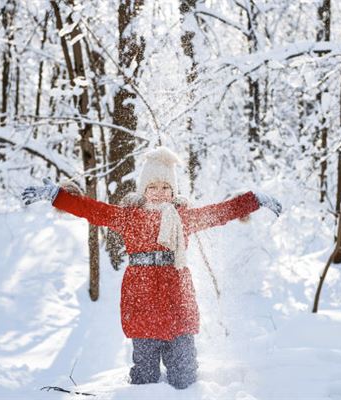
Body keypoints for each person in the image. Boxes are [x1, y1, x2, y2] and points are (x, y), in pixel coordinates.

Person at [21, 147, 282, 389]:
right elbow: (92, 210)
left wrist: (253, 201)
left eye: (166, 186)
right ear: (143, 189)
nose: (159, 192)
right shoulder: (128, 217)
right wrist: (57, 196)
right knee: (145, 377)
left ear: (174, 191)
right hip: (142, 305)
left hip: (178, 308)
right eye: (153, 186)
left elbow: (219, 213)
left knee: (185, 378)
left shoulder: (183, 218)